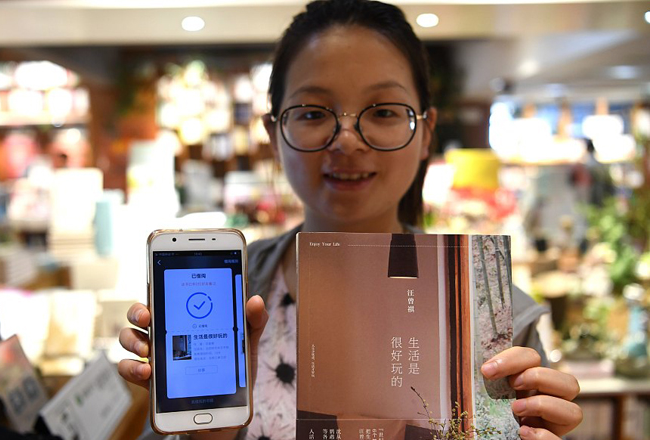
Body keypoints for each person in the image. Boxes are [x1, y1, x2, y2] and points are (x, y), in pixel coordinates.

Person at [118, 1, 583, 439]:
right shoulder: (232, 291)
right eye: (313, 112)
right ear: (274, 135)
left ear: (425, 133)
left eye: (382, 111)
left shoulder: (493, 309)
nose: (347, 140)